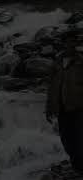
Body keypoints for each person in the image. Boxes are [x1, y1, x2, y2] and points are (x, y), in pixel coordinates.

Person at [46, 30, 83, 173]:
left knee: (79, 138)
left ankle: (80, 168)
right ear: (63, 44)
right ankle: (76, 165)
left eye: (72, 42)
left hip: (79, 106)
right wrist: (49, 107)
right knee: (66, 139)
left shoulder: (80, 61)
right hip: (62, 107)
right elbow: (52, 86)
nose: (70, 45)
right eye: (67, 42)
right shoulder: (57, 62)